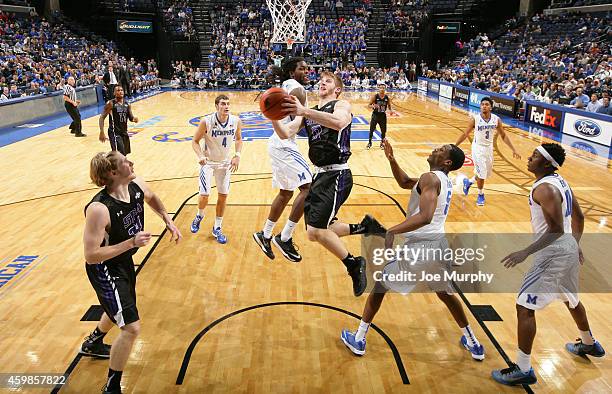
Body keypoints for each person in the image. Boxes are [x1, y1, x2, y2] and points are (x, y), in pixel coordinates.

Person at [340, 140, 485, 360]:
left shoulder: (431, 178)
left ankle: (359, 338)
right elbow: (405, 181)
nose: (435, 148)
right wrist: (392, 159)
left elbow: (425, 217)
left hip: (422, 248)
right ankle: (474, 343)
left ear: (446, 162)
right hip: (438, 246)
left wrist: (392, 231)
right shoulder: (440, 180)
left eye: (441, 149)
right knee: (445, 293)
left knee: (379, 286)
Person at [491, 143, 605, 386]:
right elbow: (579, 217)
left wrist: (525, 251)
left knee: (524, 306)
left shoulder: (544, 188)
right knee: (570, 298)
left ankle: (523, 369)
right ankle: (588, 343)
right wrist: (575, 245)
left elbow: (555, 229)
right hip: (565, 250)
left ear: (546, 163)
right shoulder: (561, 182)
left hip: (551, 254)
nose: (529, 158)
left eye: (534, 156)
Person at [271, 71, 386, 296]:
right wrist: (272, 115)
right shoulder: (308, 113)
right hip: (320, 176)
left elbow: (339, 123)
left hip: (337, 174)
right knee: (318, 232)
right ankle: (365, 227)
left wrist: (304, 110)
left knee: (315, 230)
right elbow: (286, 133)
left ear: (337, 89)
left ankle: (354, 264)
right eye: (321, 81)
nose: (322, 83)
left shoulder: (341, 105)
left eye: (328, 81)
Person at [81, 151, 182, 393]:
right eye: (126, 161)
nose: (132, 162)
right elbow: (91, 255)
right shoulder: (99, 209)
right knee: (131, 327)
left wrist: (168, 220)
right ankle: (111, 387)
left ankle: (93, 342)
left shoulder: (135, 184)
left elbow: (153, 197)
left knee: (120, 310)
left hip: (124, 261)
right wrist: (131, 243)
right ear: (113, 172)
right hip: (104, 268)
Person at [252, 57, 312, 262]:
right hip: (284, 144)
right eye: (302, 68)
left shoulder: (286, 85)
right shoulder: (297, 89)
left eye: (307, 68)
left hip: (277, 143)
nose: (306, 71)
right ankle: (284, 237)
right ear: (291, 72)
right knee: (308, 188)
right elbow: (299, 122)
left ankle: (265, 234)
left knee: (286, 193)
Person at [190, 94, 243, 244]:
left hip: (225, 164)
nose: (226, 106)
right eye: (223, 104)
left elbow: (239, 139)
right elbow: (194, 141)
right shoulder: (206, 121)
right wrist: (200, 155)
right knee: (205, 195)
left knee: (223, 195)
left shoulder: (236, 121)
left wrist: (237, 155)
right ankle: (199, 215)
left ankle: (217, 228)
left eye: (228, 104)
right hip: (208, 163)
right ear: (216, 106)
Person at [456, 97, 520, 206]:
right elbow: (465, 134)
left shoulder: (496, 119)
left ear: (491, 107)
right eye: (482, 104)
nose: (484, 106)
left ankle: (469, 182)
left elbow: (503, 136)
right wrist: (455, 145)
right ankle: (480, 194)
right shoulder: (474, 119)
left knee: (485, 172)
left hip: (489, 148)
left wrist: (513, 149)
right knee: (482, 173)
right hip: (477, 148)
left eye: (486, 104)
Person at [99, 86, 139, 155]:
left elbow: (130, 117)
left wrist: (134, 119)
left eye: (121, 90)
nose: (120, 91)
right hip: (114, 133)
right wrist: (101, 131)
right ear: (114, 93)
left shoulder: (127, 104)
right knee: (119, 154)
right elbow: (102, 117)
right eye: (118, 90)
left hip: (124, 132)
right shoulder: (111, 103)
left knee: (124, 154)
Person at [366, 83, 396, 150]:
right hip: (375, 115)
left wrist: (391, 110)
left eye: (383, 88)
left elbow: (389, 105)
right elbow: (369, 105)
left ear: (385, 89)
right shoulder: (375, 96)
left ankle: (382, 143)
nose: (382, 89)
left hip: (383, 116)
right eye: (381, 88)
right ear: (378, 89)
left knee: (383, 131)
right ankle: (369, 142)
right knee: (371, 129)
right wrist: (373, 106)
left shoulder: (386, 97)